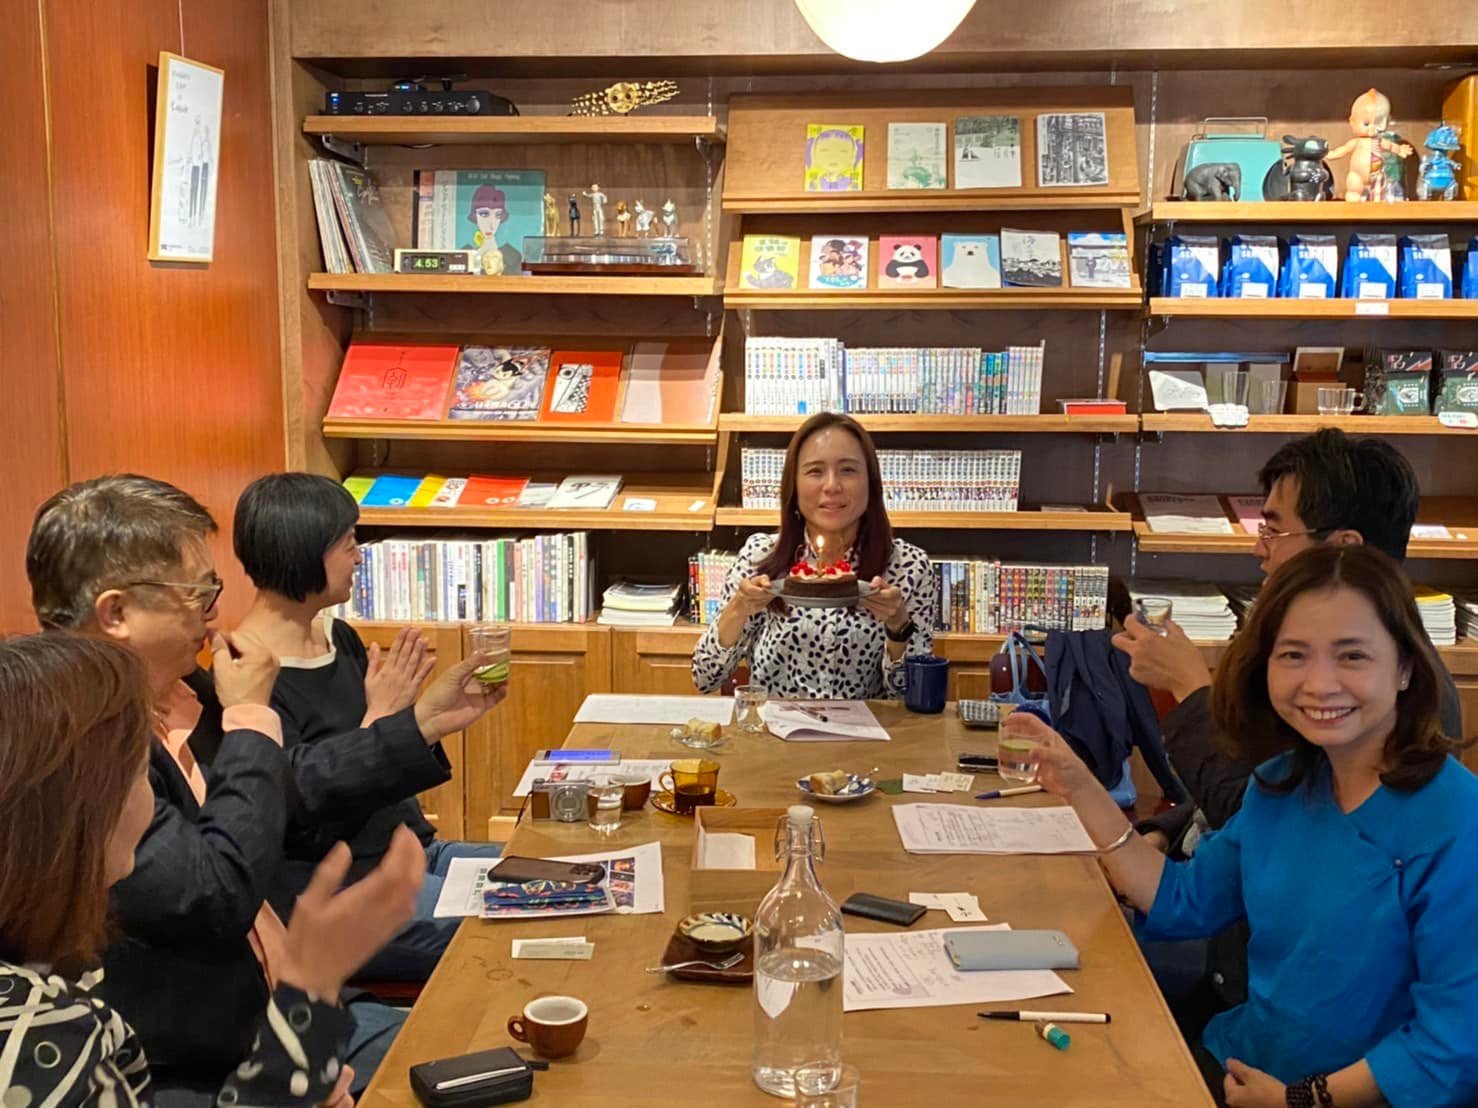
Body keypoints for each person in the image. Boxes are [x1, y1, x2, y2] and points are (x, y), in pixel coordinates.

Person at [24, 474, 499, 1099]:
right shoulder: (71, 747)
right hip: (215, 1061)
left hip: (297, 1004)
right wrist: (250, 719)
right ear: (116, 613)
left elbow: (292, 785)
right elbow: (212, 894)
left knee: (499, 1047)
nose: (215, 615)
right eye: (198, 594)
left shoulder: (183, 693)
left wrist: (420, 725)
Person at [1013, 544, 1478, 1107]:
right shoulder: (1282, 783)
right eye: (1294, 655)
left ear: (1405, 667)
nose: (1319, 683)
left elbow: (1453, 1041)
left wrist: (1300, 1099)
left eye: (1352, 656)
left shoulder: (1455, 819)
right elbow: (1182, 900)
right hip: (1245, 1062)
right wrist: (1081, 787)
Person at [0, 632, 424, 1106]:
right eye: (140, 765)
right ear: (81, 804)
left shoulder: (48, 978)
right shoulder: (47, 1031)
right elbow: (219, 888)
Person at [1117, 429, 1463, 851]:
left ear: (1343, 548)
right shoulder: (1313, 660)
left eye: (1274, 532)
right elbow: (1262, 780)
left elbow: (1269, 828)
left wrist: (1188, 688)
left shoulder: (1400, 699)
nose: (1259, 550)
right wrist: (1164, 831)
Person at [232, 472, 506, 981]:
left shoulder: (337, 636)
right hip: (340, 888)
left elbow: (378, 762)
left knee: (561, 874)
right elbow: (299, 814)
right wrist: (385, 721)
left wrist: (419, 722)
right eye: (348, 543)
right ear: (304, 550)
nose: (359, 558)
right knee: (521, 923)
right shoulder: (245, 671)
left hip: (412, 849)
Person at [692, 412, 935, 699]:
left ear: (871, 482)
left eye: (848, 470)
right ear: (793, 486)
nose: (832, 486)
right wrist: (739, 608)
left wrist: (898, 627)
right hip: (775, 725)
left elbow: (910, 697)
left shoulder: (909, 567)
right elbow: (705, 678)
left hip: (865, 726)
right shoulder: (760, 556)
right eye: (815, 471)